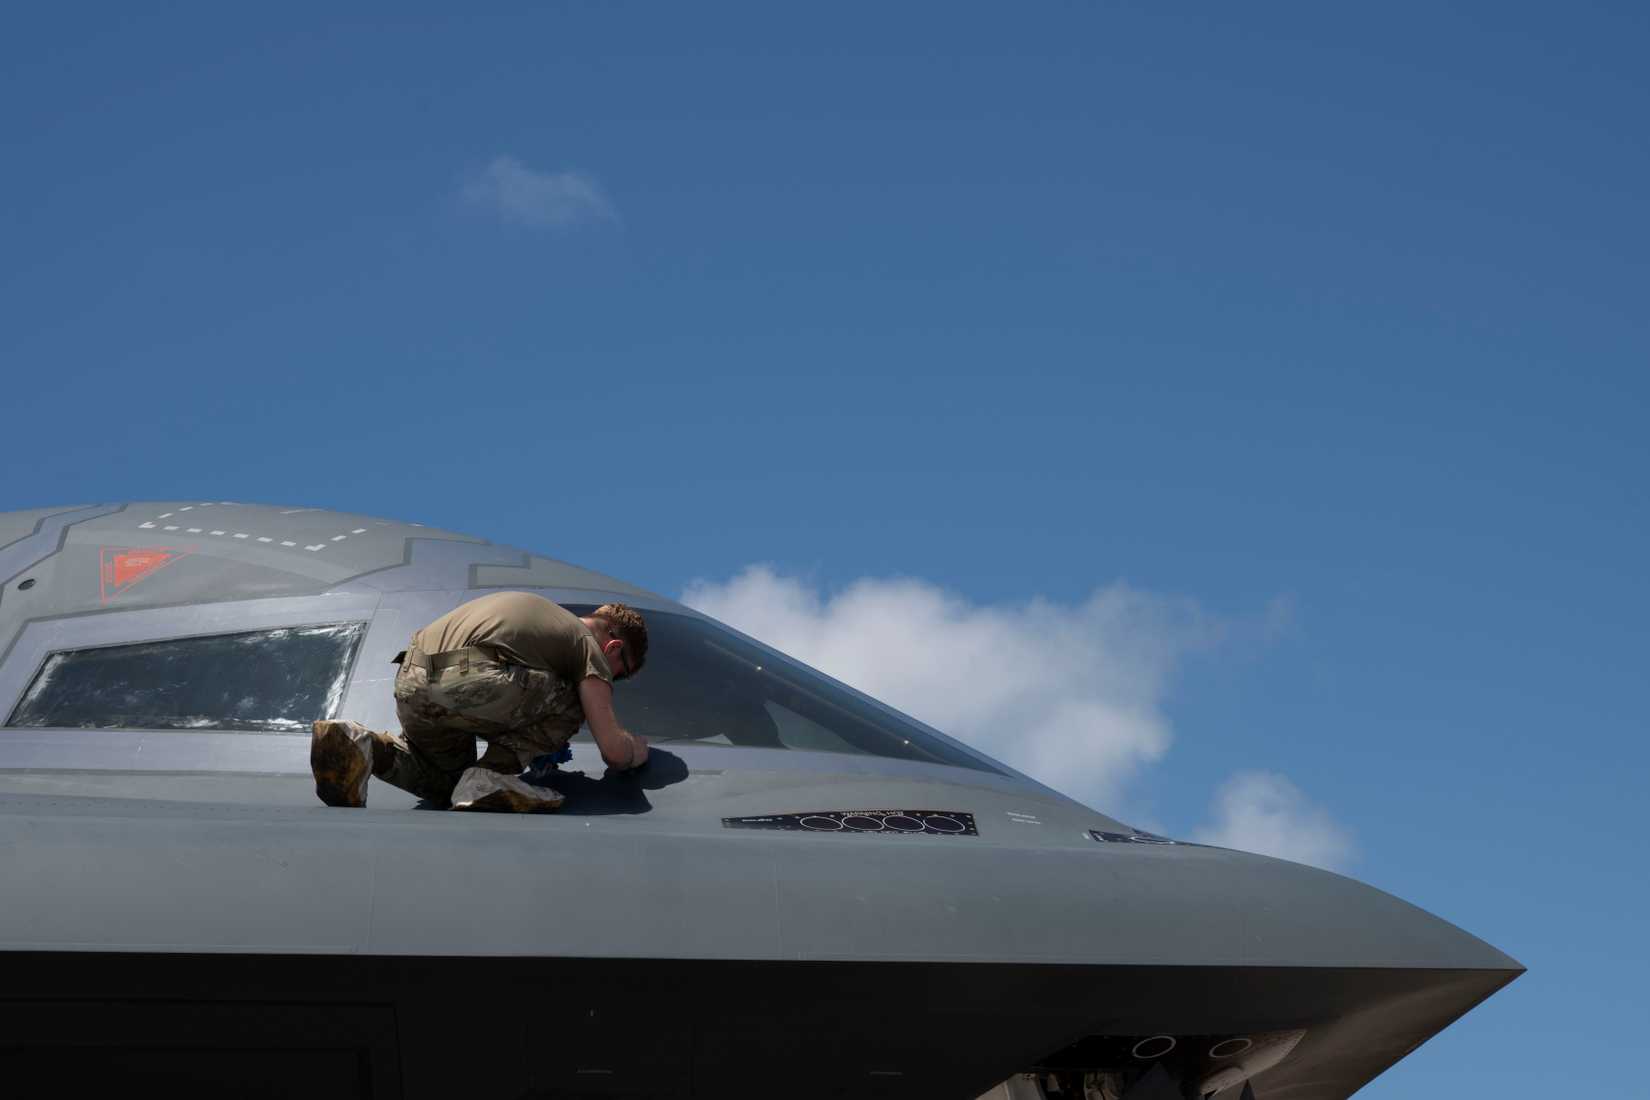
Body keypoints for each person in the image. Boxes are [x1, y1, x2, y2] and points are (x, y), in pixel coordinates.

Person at [310, 592, 650, 813]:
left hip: (412, 681)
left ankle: (360, 745)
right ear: (614, 647)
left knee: (447, 783)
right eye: (620, 673)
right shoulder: (585, 642)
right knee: (574, 699)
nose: (612, 678)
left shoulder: (543, 616)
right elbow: (613, 752)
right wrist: (635, 749)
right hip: (468, 680)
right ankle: (492, 774)